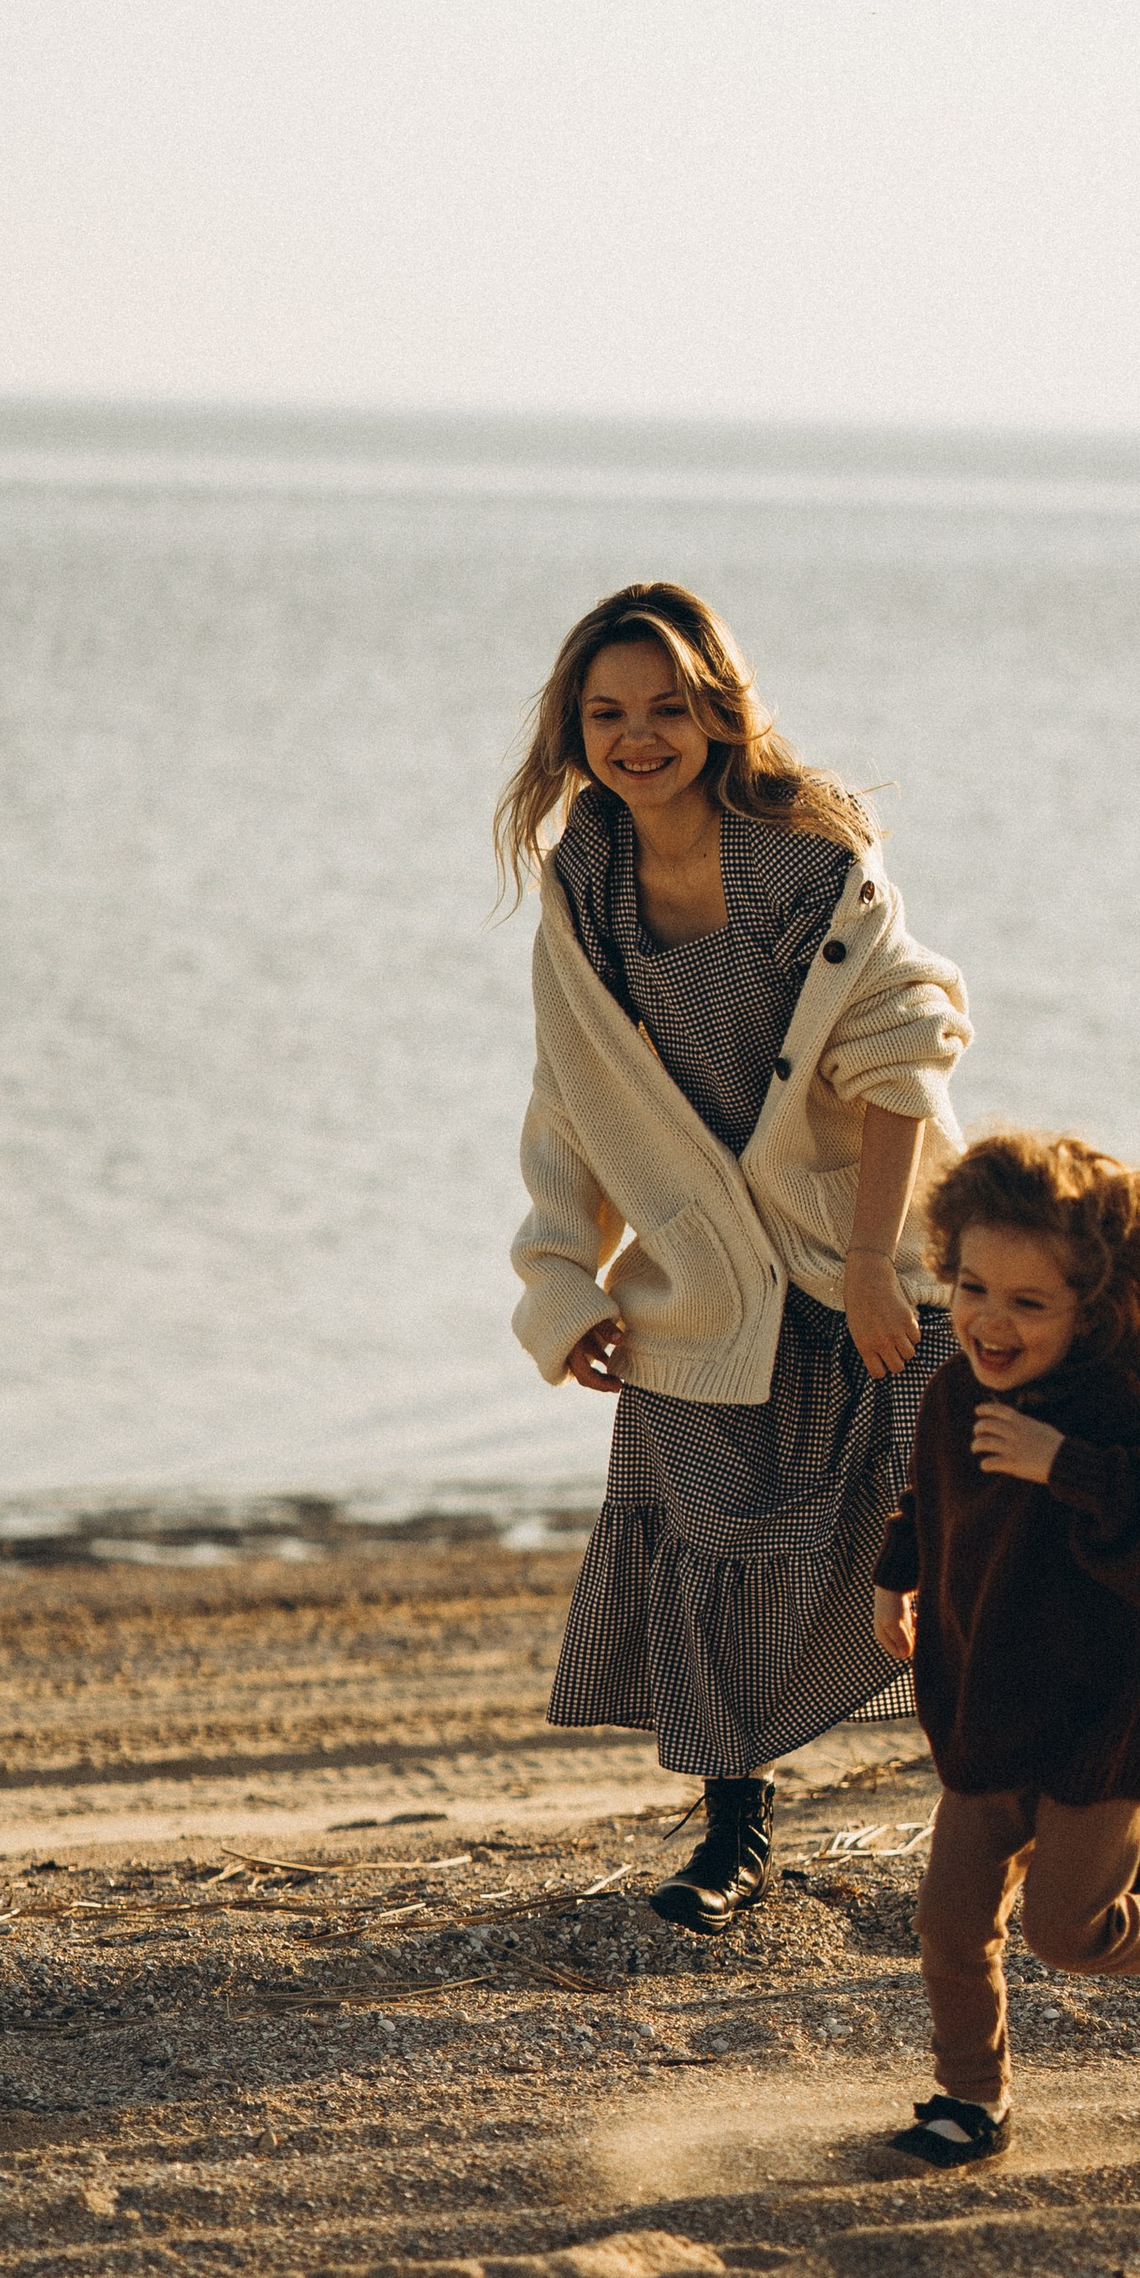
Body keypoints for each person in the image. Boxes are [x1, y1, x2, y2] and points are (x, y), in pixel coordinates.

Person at [496, 581, 971, 1930]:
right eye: (608, 714)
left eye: (666, 707)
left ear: (717, 712)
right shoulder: (583, 887)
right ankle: (733, 1836)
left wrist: (881, 1267)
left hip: (866, 1267)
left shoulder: (803, 863)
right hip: (704, 1286)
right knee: (701, 1546)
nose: (638, 736)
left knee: (949, 1558)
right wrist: (562, 1280)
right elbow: (567, 1099)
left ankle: (1075, 1815)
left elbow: (904, 1052)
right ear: (574, 732)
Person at [872, 1128, 1140, 2166]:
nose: (990, 1322)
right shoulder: (955, 1391)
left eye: (1029, 1304)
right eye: (973, 1288)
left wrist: (1064, 1464)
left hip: (1103, 1726)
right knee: (948, 1922)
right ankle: (970, 2103)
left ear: (1092, 1307)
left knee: (1070, 1933)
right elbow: (930, 1494)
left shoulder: (1127, 1420)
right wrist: (896, 1573)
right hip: (987, 1709)